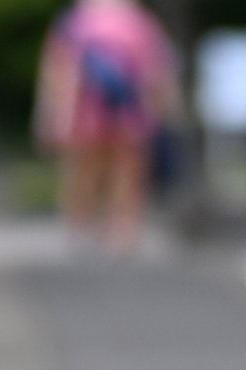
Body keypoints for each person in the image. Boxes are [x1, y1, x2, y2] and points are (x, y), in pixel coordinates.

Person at [34, 0, 176, 252]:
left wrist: (50, 114)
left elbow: (57, 69)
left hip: (83, 110)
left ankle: (81, 225)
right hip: (129, 109)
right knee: (126, 173)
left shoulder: (74, 20)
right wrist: (161, 108)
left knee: (84, 171)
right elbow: (157, 68)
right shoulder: (139, 19)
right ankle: (122, 231)